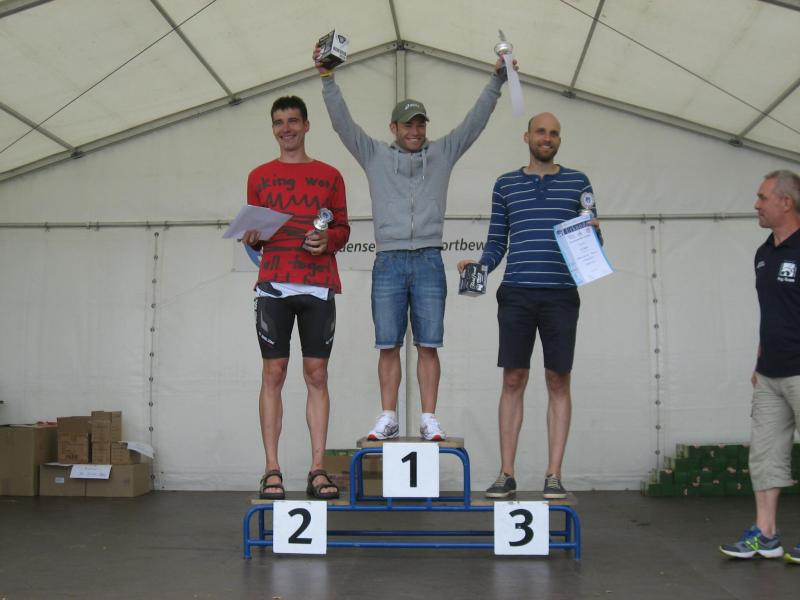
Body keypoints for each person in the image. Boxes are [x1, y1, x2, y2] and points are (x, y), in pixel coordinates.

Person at [314, 44, 516, 442]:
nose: (415, 131)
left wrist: (497, 81)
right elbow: (342, 124)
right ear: (393, 127)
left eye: (421, 124)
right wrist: (327, 78)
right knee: (387, 344)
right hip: (388, 260)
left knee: (428, 344)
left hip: (428, 259)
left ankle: (428, 418)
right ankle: (388, 417)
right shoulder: (373, 154)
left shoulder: (442, 152)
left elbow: (474, 123)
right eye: (408, 125)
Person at [458, 112, 600, 499]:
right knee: (513, 379)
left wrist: (594, 237)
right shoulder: (505, 184)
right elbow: (497, 241)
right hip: (516, 293)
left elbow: (591, 242)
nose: (547, 138)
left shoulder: (578, 182)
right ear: (527, 137)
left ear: (559, 140)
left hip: (561, 294)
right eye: (541, 131)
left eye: (554, 133)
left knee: (558, 380)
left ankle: (553, 475)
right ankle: (506, 474)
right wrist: (480, 266)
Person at [242, 95, 350, 500]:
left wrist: (329, 240)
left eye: (292, 121)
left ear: (306, 125)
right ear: (273, 128)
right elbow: (253, 232)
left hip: (317, 285)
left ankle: (318, 469)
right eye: (278, 122)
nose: (285, 129)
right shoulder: (258, 175)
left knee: (317, 375)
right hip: (274, 284)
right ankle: (272, 469)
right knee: (273, 374)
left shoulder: (330, 175)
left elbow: (343, 228)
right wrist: (252, 237)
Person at [720, 170, 800, 564]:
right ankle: (766, 535)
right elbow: (772, 314)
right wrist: (759, 359)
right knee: (765, 455)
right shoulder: (763, 254)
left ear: (786, 202)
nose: (756, 204)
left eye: (763, 197)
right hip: (770, 373)